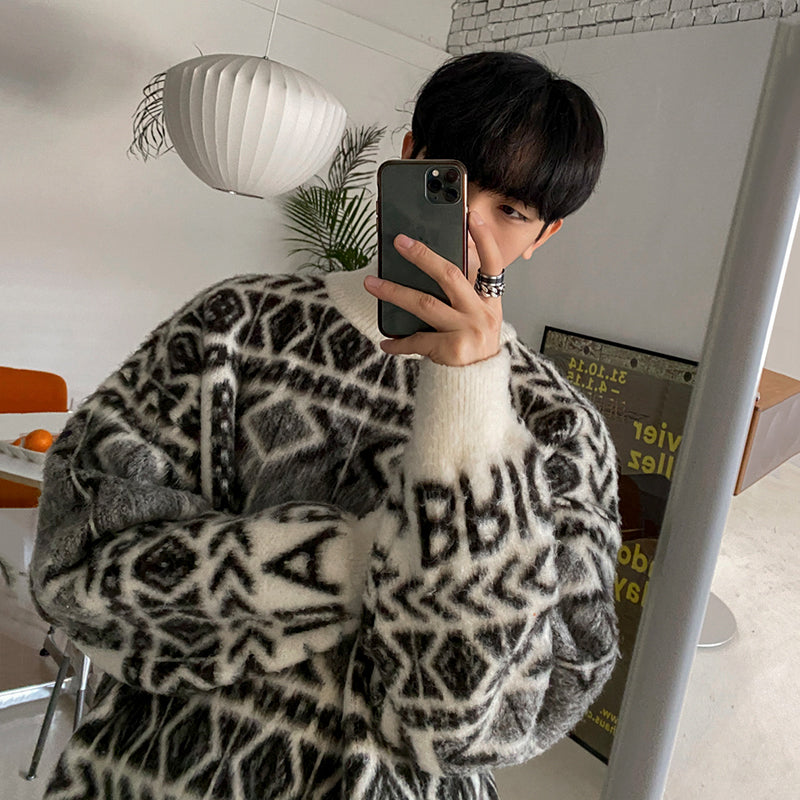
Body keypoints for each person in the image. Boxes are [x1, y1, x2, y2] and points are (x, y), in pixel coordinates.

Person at [30, 51, 620, 800]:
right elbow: (78, 568)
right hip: (151, 774)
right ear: (407, 158)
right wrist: (356, 562)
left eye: (513, 211)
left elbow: (479, 725)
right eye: (453, 184)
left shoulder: (560, 430)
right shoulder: (235, 326)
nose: (472, 224)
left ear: (544, 235)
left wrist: (469, 396)